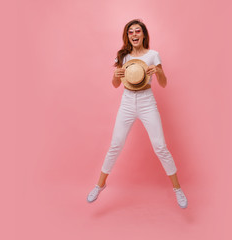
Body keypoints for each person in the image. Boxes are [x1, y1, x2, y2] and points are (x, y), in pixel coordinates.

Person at [87, 19, 188, 209]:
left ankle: (177, 189)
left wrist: (158, 71)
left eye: (137, 31)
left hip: (146, 101)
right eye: (130, 32)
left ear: (143, 34)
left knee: (160, 146)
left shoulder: (153, 55)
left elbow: (164, 83)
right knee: (115, 144)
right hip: (127, 101)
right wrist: (114, 76)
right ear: (127, 36)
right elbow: (116, 85)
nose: (134, 34)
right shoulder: (122, 57)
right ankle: (100, 185)